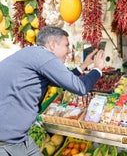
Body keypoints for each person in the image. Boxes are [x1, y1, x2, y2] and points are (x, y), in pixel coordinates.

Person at [0, 26, 105, 156]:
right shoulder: (43, 56)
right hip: (7, 144)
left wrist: (83, 66)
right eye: (66, 45)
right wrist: (98, 69)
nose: (68, 51)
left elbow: (62, 81)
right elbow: (80, 88)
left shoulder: (33, 54)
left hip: (19, 139)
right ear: (52, 44)